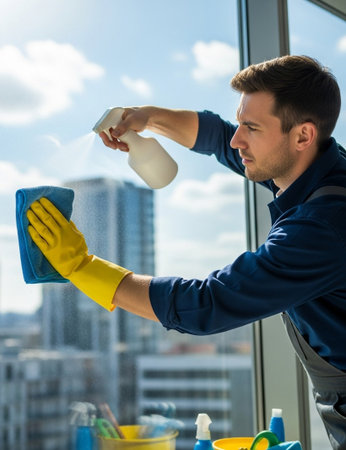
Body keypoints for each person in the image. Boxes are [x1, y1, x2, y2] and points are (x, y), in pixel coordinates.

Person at [26, 55, 346, 448]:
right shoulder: (323, 167)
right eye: (240, 121)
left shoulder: (322, 226)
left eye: (251, 127)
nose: (236, 139)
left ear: (302, 136)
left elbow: (206, 304)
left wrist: (81, 266)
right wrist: (145, 118)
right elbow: (216, 135)